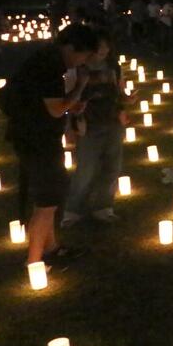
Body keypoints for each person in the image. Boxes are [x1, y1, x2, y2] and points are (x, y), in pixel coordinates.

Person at [0, 23, 99, 266]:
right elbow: (56, 110)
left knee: (49, 197)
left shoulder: (46, 59)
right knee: (47, 199)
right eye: (84, 54)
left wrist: (70, 102)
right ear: (71, 47)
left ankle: (52, 248)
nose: (83, 61)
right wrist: (80, 87)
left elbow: (48, 104)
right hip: (37, 140)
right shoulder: (49, 66)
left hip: (33, 136)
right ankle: (34, 262)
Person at [61, 29, 129, 227]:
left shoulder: (114, 68)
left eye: (107, 45)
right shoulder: (77, 70)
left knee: (112, 167)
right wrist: (70, 125)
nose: (104, 49)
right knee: (86, 170)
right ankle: (72, 211)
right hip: (88, 125)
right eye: (99, 46)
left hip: (113, 122)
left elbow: (119, 93)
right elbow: (68, 99)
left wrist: (126, 101)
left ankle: (103, 208)